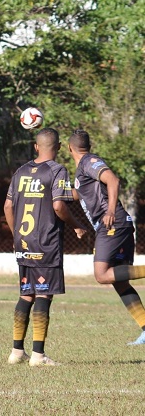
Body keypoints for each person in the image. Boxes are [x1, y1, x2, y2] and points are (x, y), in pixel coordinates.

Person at [4, 128, 86, 367]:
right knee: (43, 294)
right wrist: (77, 225)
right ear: (59, 147)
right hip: (46, 242)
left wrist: (16, 234)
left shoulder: (20, 172)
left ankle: (16, 351)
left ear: (35, 146)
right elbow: (59, 206)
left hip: (23, 241)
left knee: (25, 294)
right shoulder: (57, 170)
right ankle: (38, 355)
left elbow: (8, 207)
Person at [68, 129, 145, 345]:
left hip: (113, 222)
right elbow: (80, 193)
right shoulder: (82, 170)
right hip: (117, 224)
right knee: (120, 282)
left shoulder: (89, 161)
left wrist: (110, 210)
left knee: (101, 275)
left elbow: (113, 179)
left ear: (69, 148)